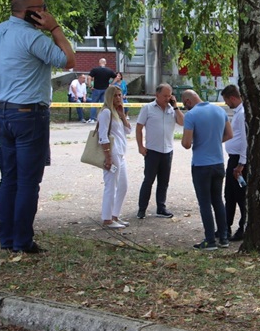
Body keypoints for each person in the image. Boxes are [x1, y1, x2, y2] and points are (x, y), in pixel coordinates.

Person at [0, 0, 75, 254]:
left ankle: (7, 238)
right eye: (43, 8)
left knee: (8, 178)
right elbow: (68, 60)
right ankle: (22, 241)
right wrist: (55, 28)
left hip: (1, 113)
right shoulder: (32, 37)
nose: (46, 13)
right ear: (32, 12)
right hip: (29, 114)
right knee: (27, 181)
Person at [181, 89, 233, 251]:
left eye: (184, 105)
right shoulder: (219, 110)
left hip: (201, 165)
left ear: (188, 102)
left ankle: (210, 240)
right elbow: (229, 134)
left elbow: (186, 143)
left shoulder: (191, 115)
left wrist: (198, 141)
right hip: (218, 163)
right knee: (218, 201)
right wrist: (215, 141)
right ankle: (224, 237)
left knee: (205, 203)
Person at [135, 83, 184, 219]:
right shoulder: (148, 108)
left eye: (169, 95)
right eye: (165, 96)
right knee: (148, 180)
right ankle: (142, 209)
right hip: (152, 150)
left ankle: (161, 208)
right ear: (157, 95)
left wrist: (175, 106)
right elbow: (139, 128)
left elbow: (182, 122)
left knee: (164, 181)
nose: (167, 98)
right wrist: (140, 146)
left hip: (167, 150)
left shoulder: (172, 109)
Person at [98, 85, 131, 228]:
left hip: (121, 153)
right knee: (111, 185)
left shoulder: (117, 112)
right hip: (113, 153)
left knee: (123, 185)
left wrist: (123, 115)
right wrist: (108, 156)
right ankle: (107, 219)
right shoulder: (106, 112)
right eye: (115, 95)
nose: (118, 98)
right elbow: (102, 135)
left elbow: (128, 130)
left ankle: (114, 215)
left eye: (120, 95)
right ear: (109, 97)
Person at [221, 84, 247, 242]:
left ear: (232, 98)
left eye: (226, 100)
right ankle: (226, 226)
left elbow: (245, 141)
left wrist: (241, 164)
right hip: (234, 158)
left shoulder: (242, 113)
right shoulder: (238, 112)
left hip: (239, 160)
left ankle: (243, 227)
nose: (226, 104)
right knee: (229, 195)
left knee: (240, 196)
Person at [87, 58, 116, 123]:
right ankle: (103, 118)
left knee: (94, 104)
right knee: (104, 104)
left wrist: (90, 86)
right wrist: (111, 84)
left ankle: (92, 118)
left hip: (96, 89)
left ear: (99, 63)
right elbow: (116, 77)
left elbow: (89, 77)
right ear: (105, 63)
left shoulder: (95, 70)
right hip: (105, 89)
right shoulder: (109, 70)